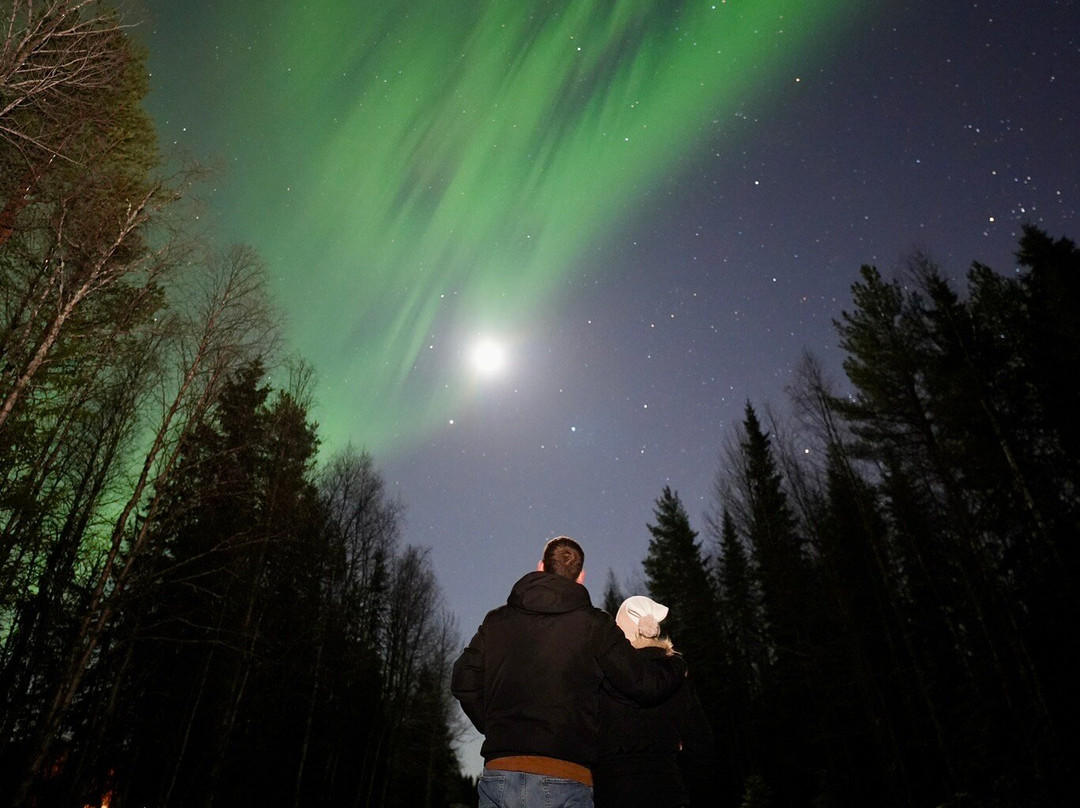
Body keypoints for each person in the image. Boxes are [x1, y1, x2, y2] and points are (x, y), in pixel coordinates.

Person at [451, 536, 688, 808]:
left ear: (541, 566)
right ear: (581, 576)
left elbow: (463, 682)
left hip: (500, 775)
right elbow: (644, 684)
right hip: (566, 777)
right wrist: (676, 663)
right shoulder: (596, 625)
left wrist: (497, 728)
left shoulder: (496, 621)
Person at [593, 596, 714, 808]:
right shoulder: (679, 679)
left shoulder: (605, 680)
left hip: (614, 794)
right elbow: (700, 746)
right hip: (669, 791)